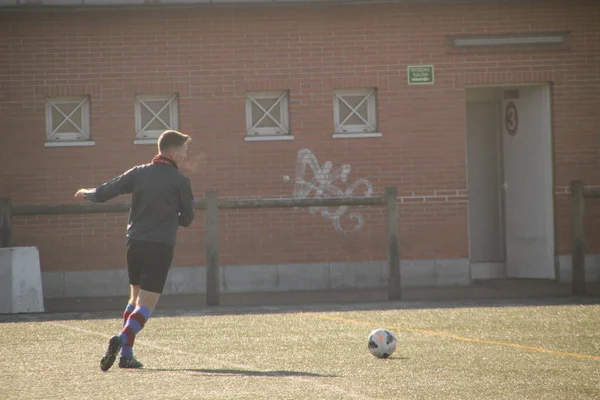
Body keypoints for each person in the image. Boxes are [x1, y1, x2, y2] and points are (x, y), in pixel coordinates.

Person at [74, 130, 195, 371]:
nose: (185, 153)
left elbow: (109, 189)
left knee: (134, 297)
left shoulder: (139, 172)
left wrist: (88, 193)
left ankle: (126, 356)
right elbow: (188, 218)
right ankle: (120, 340)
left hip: (135, 243)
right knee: (147, 305)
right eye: (183, 149)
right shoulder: (180, 181)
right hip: (160, 246)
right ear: (172, 152)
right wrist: (174, 218)